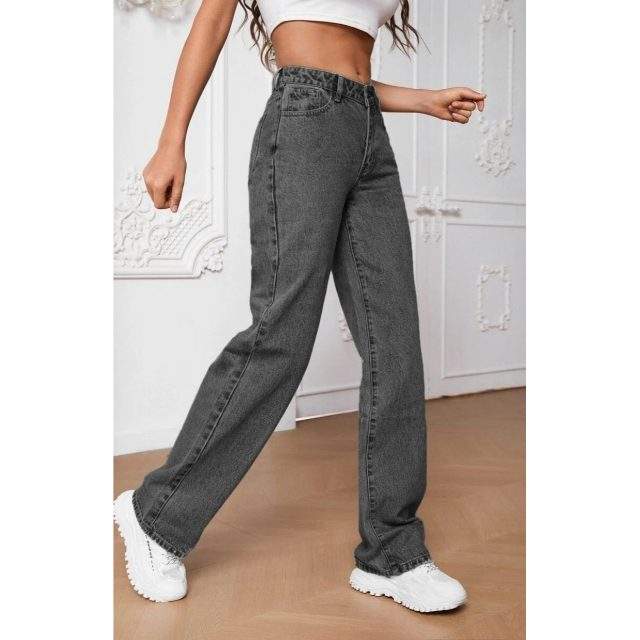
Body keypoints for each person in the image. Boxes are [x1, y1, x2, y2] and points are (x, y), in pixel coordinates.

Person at [114, 0, 486, 612]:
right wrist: (171, 140)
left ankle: (392, 553)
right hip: (303, 122)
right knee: (280, 335)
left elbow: (353, 74)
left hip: (369, 135)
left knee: (395, 344)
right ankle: (156, 516)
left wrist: (422, 100)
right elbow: (213, 19)